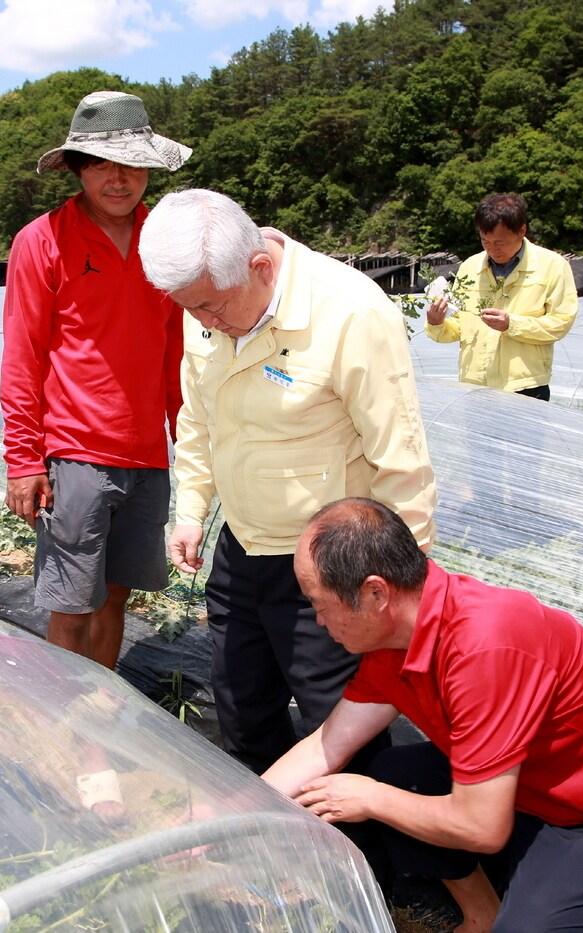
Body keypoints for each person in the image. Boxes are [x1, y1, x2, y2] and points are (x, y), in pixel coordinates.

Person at [264, 498, 583, 933]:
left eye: (320, 604)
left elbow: (481, 827)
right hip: (535, 788)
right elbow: (329, 745)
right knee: (397, 774)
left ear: (375, 592)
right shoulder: (396, 638)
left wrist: (370, 798)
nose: (319, 620)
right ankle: (482, 915)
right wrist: (228, 814)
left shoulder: (486, 646)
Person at [138, 189, 437, 774]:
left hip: (330, 563)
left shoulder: (350, 312)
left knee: (339, 731)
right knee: (243, 710)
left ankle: (364, 857)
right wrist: (193, 509)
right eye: (191, 308)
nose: (204, 322)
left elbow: (399, 457)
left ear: (261, 266)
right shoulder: (208, 302)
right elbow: (199, 421)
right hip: (242, 546)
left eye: (213, 307)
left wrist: (405, 592)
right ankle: (276, 839)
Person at [0, 90, 190, 669]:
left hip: (146, 454)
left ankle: (100, 709)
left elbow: (175, 349)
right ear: (80, 169)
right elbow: (23, 355)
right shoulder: (43, 241)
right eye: (103, 164)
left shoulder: (166, 239)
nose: (119, 179)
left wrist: (188, 435)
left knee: (116, 594)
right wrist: (24, 461)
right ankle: (63, 715)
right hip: (76, 451)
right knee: (72, 603)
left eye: (132, 164)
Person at [425, 193, 577, 401]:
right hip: (475, 386)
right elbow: (461, 326)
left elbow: (561, 322)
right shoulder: (470, 267)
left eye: (500, 243)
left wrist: (511, 324)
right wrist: (437, 323)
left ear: (522, 230)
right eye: (485, 241)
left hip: (524, 387)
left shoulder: (552, 266)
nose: (492, 249)